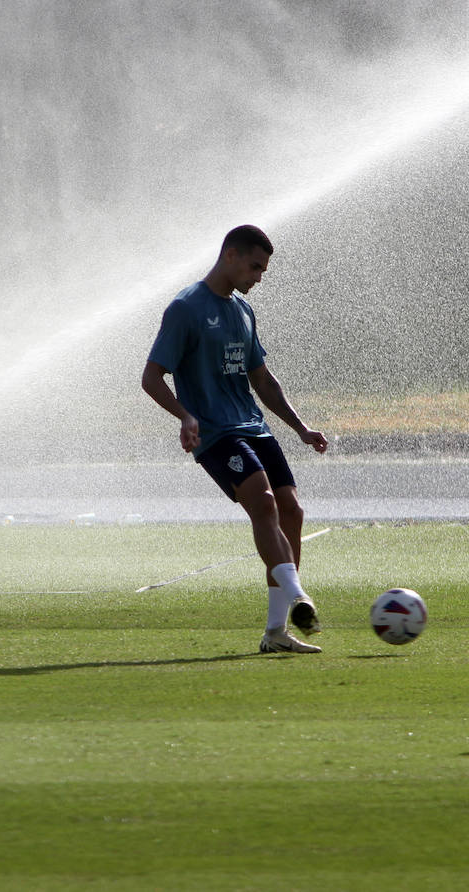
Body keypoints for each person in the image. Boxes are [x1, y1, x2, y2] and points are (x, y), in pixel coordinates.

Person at [143, 225, 329, 653]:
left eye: (263, 269)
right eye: (255, 266)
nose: (260, 276)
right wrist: (185, 416)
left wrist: (300, 427)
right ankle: (299, 594)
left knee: (292, 512)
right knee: (263, 504)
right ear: (230, 255)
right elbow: (151, 378)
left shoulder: (243, 311)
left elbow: (261, 378)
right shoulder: (186, 308)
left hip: (252, 425)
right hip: (214, 434)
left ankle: (276, 633)